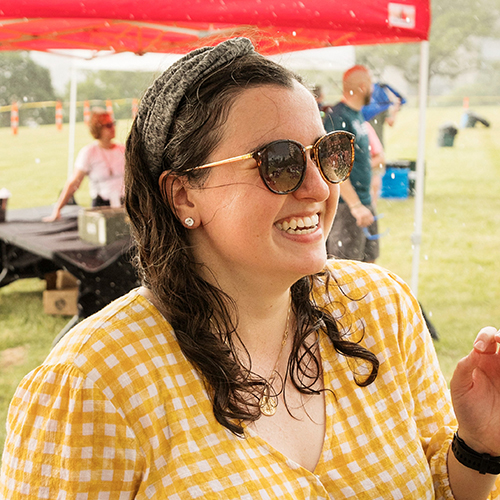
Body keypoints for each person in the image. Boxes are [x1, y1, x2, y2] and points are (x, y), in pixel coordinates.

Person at [1, 38, 500, 499]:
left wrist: (479, 444)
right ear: (182, 194)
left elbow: (439, 483)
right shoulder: (94, 384)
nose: (319, 189)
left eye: (327, 154)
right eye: (278, 162)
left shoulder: (382, 307)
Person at [324, 65, 379, 262]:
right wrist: (355, 205)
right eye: (371, 84)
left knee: (368, 265)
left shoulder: (357, 115)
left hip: (363, 202)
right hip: (346, 207)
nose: (373, 89)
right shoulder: (337, 118)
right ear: (363, 87)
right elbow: (332, 167)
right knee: (345, 269)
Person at [43, 109, 125, 221]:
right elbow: (73, 183)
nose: (113, 128)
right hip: (101, 209)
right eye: (108, 125)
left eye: (113, 124)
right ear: (97, 128)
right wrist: (57, 210)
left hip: (125, 206)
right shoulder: (89, 152)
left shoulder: (123, 150)